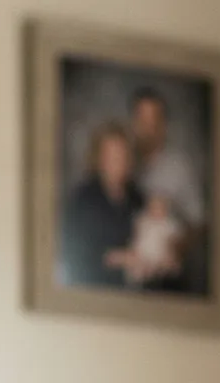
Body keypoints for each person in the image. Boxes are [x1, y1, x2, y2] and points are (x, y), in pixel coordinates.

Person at [128, 87, 208, 291]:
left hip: (166, 281)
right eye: (142, 120)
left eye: (154, 120)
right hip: (127, 277)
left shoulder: (179, 167)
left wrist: (176, 246)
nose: (148, 128)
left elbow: (198, 222)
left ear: (163, 124)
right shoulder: (122, 162)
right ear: (133, 123)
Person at [58, 121, 143, 289]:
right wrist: (117, 258)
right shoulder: (82, 200)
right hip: (93, 289)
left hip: (133, 291)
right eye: (112, 155)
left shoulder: (138, 199)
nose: (118, 161)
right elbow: (74, 254)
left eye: (123, 154)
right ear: (99, 158)